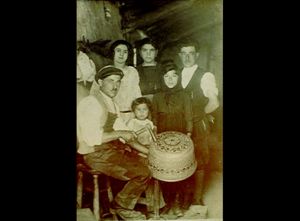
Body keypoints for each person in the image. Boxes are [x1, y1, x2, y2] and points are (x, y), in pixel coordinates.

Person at [77, 65, 151, 220]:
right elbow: (92, 138)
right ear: (99, 82)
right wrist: (121, 133)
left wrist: (149, 152)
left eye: (118, 81)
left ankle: (149, 207)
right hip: (95, 154)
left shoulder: (112, 104)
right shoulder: (91, 102)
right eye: (110, 81)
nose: (115, 85)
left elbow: (127, 136)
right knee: (142, 172)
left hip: (110, 151)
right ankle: (121, 206)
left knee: (148, 164)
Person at [177, 38, 220, 209]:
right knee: (181, 159)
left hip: (198, 123)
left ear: (197, 55)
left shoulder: (205, 75)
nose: (187, 57)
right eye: (184, 54)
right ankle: (182, 197)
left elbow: (214, 103)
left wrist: (199, 116)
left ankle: (196, 198)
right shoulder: (176, 74)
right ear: (179, 56)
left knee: (199, 159)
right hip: (180, 124)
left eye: (191, 54)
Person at [152, 60, 193, 218]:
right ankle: (168, 203)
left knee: (179, 171)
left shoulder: (184, 95)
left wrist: (188, 135)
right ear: (162, 78)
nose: (170, 79)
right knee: (164, 171)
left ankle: (177, 203)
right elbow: (154, 118)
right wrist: (155, 136)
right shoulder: (157, 96)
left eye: (174, 76)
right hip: (163, 137)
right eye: (167, 76)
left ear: (178, 78)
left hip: (180, 135)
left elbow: (189, 117)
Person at [90, 39, 142, 124]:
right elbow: (94, 92)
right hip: (111, 115)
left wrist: (139, 112)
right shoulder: (105, 70)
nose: (121, 54)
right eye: (118, 51)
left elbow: (137, 93)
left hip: (131, 114)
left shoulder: (132, 71)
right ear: (113, 52)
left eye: (125, 52)